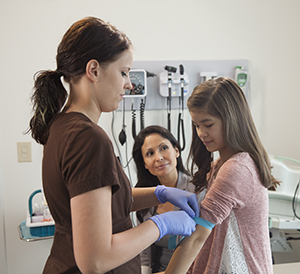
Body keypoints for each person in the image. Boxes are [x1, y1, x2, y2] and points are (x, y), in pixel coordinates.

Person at [27, 17, 199, 274]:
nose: (129, 84)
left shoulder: (61, 126)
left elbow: (100, 203)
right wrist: (160, 225)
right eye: (124, 72)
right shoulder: (87, 138)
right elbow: (95, 260)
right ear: (93, 70)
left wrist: (159, 193)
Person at [164, 77, 280, 274]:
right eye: (197, 125)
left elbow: (198, 236)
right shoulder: (219, 165)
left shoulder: (237, 169)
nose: (201, 133)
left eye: (208, 124)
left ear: (231, 119)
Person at [132, 125, 206, 273]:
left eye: (164, 148)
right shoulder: (143, 202)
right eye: (150, 153)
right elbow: (144, 254)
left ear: (176, 151)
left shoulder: (199, 191)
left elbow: (203, 244)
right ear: (145, 165)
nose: (159, 157)